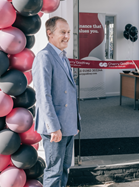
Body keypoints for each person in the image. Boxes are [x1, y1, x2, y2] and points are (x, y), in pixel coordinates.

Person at [32, 16, 81, 187]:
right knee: (54, 171)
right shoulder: (44, 57)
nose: (67, 36)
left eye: (68, 32)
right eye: (63, 32)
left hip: (67, 124)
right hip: (55, 127)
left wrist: (75, 122)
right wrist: (54, 127)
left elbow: (69, 94)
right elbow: (44, 96)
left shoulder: (63, 57)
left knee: (65, 168)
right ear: (50, 34)